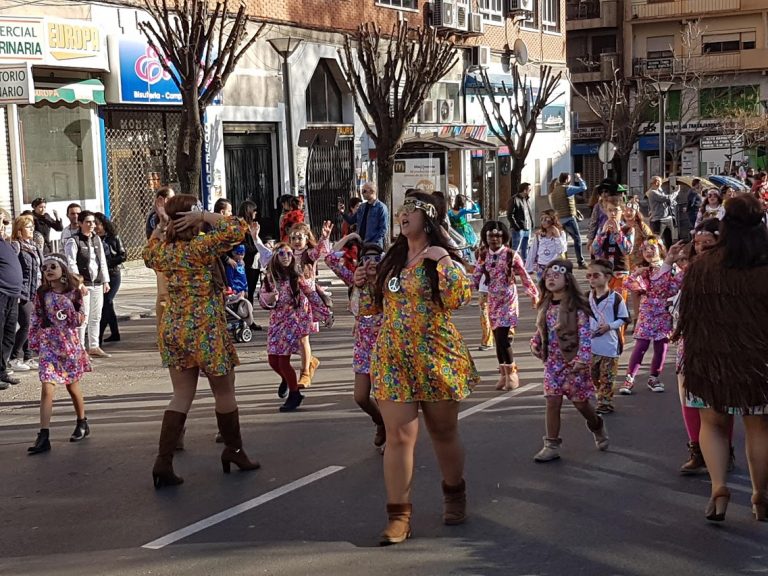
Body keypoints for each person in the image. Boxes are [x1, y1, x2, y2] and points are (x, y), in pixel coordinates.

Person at [358, 192, 478, 545]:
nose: (402, 215)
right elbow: (369, 309)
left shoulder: (441, 257)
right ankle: (398, 516)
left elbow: (459, 299)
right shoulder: (392, 260)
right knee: (399, 436)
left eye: (410, 210)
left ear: (428, 218)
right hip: (393, 356)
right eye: (401, 210)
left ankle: (454, 494)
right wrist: (364, 283)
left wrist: (442, 260)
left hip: (437, 355)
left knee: (442, 432)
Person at [143, 194, 260, 488]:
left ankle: (163, 461)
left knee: (181, 395)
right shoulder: (200, 248)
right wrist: (206, 215)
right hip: (205, 327)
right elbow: (237, 227)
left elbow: (149, 251)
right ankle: (234, 450)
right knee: (224, 391)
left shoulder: (163, 251)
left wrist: (163, 224)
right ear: (192, 218)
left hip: (174, 325)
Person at [678, 194, 768, 523]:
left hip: (709, 360)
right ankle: (760, 496)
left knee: (712, 425)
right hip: (759, 361)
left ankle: (718, 489)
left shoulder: (702, 266)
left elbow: (686, 316)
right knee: (760, 429)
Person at [530, 259, 608, 462]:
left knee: (581, 404)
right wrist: (535, 343)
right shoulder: (545, 305)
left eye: (556, 275)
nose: (551, 279)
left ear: (568, 279)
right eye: (548, 276)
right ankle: (551, 444)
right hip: (552, 364)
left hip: (574, 364)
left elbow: (584, 334)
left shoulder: (577, 307)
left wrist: (583, 358)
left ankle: (597, 425)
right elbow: (540, 329)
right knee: (552, 401)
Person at [26, 254, 92, 454]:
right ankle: (43, 435)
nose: (48, 270)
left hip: (67, 343)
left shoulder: (74, 293)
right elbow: (36, 316)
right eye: (45, 267)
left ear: (63, 269)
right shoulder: (41, 293)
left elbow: (80, 319)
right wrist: (34, 340)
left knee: (72, 385)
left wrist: (71, 307)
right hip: (49, 344)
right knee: (47, 386)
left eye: (53, 266)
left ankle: (82, 421)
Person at [325, 235, 386, 446]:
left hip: (385, 346)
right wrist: (350, 239)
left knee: (382, 396)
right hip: (362, 346)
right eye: (366, 259)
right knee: (360, 397)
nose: (371, 263)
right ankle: (380, 421)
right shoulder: (354, 280)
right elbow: (330, 259)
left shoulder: (390, 283)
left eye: (376, 258)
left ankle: (392, 436)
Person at [472, 221, 538, 391]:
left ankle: (512, 373)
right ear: (485, 237)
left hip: (508, 301)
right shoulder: (483, 255)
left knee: (503, 337)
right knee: (497, 338)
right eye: (490, 236)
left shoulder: (511, 255)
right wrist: (464, 292)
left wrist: (534, 295)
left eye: (497, 236)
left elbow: (524, 276)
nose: (494, 239)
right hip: (493, 300)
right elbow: (476, 276)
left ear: (504, 237)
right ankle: (503, 375)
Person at [258, 243, 320, 412]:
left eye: (289, 253)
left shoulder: (296, 277)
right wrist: (268, 299)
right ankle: (287, 379)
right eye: (281, 254)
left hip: (291, 323)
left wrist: (324, 312)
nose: (285, 256)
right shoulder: (270, 278)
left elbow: (311, 294)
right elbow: (263, 301)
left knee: (283, 361)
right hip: (275, 323)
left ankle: (294, 394)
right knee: (273, 360)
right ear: (275, 257)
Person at [620, 236, 684, 395]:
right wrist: (636, 274)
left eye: (652, 248)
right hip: (647, 312)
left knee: (661, 347)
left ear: (661, 249)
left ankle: (654, 377)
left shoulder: (672, 268)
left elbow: (675, 286)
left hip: (663, 312)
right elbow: (629, 285)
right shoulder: (642, 270)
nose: (648, 251)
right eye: (644, 249)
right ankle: (630, 378)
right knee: (641, 345)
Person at [64, 211, 111, 359]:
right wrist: (79, 284)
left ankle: (94, 346)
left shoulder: (97, 239)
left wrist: (105, 280)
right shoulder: (74, 241)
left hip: (97, 283)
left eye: (93, 222)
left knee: (96, 316)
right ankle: (80, 348)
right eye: (88, 222)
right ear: (80, 223)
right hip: (84, 285)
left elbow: (102, 261)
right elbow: (71, 263)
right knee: (83, 317)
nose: (91, 225)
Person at [587, 259, 630, 414]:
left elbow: (624, 318)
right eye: (589, 276)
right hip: (592, 345)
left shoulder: (616, 298)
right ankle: (601, 393)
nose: (591, 279)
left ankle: (605, 402)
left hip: (610, 345)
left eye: (595, 275)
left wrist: (609, 326)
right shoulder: (587, 297)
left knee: (608, 376)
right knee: (593, 374)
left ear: (607, 277)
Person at [9, 215, 43, 372]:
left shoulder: (34, 246)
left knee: (33, 324)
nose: (32, 229)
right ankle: (14, 357)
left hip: (35, 290)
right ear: (20, 230)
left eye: (32, 226)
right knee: (26, 324)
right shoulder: (16, 246)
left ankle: (28, 356)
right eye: (28, 227)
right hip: (22, 292)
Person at [590, 197, 633, 298]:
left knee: (619, 301)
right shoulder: (602, 229)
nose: (613, 213)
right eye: (610, 210)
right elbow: (595, 250)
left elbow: (627, 250)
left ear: (622, 211)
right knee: (604, 301)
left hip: (620, 270)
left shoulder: (628, 229)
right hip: (605, 272)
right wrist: (603, 233)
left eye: (616, 210)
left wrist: (618, 232)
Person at [94, 213, 126, 344]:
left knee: (106, 302)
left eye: (97, 223)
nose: (95, 227)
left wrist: (107, 263)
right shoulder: (93, 239)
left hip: (113, 274)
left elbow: (123, 255)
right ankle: (115, 333)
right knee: (108, 305)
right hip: (99, 276)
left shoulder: (113, 238)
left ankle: (98, 336)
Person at [146, 187, 175, 327]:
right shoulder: (156, 216)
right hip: (162, 260)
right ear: (162, 200)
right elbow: (156, 238)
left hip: (171, 259)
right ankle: (163, 330)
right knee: (164, 296)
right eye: (171, 198)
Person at [0, 209, 22, 389]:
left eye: (5, 222)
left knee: (8, 335)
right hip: (1, 295)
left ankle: (2, 370)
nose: (3, 226)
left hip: (13, 296)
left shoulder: (6, 244)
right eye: (0, 221)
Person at [548, 172, 588, 268]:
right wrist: (579, 178)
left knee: (564, 241)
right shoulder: (567, 189)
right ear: (566, 180)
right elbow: (583, 188)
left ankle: (564, 261)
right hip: (569, 218)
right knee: (577, 239)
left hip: (560, 219)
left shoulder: (554, 192)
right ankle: (580, 262)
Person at [339, 182, 389, 248]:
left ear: (372, 191)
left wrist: (374, 242)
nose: (362, 193)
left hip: (374, 246)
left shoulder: (381, 207)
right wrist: (342, 212)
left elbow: (383, 229)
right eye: (361, 191)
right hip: (360, 244)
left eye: (364, 191)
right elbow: (351, 221)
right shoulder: (362, 207)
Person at [526, 210, 568, 280]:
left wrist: (557, 236)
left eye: (546, 219)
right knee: (541, 288)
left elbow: (561, 250)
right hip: (541, 267)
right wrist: (528, 268)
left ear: (552, 220)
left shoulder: (561, 233)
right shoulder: (539, 234)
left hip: (554, 266)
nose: (543, 221)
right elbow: (532, 251)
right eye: (542, 219)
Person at [235, 200, 262, 303]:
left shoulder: (251, 226)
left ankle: (249, 315)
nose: (256, 213)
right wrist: (257, 248)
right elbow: (243, 245)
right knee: (246, 290)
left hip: (253, 262)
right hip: (245, 262)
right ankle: (246, 315)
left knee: (251, 290)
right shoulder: (240, 227)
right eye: (254, 211)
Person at [225, 245, 258, 330]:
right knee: (237, 307)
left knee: (244, 305)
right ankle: (241, 322)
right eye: (238, 254)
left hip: (242, 289)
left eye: (242, 254)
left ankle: (247, 321)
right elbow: (230, 278)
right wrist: (232, 288)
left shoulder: (242, 264)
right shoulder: (231, 265)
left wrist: (246, 289)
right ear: (233, 253)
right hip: (235, 290)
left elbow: (244, 278)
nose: (240, 256)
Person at [646, 176, 679, 249]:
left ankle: (668, 255)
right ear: (657, 182)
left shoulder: (660, 190)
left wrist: (672, 202)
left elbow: (668, 201)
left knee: (669, 240)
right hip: (659, 219)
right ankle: (653, 253)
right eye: (660, 182)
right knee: (655, 240)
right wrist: (676, 192)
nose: (661, 184)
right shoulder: (652, 192)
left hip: (667, 218)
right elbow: (666, 198)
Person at [507, 182, 535, 261]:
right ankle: (511, 263)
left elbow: (529, 213)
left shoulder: (527, 199)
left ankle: (525, 262)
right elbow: (510, 215)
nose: (530, 190)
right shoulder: (514, 199)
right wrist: (516, 226)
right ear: (525, 190)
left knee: (525, 247)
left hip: (527, 227)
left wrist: (531, 223)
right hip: (519, 228)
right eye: (529, 189)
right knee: (516, 247)